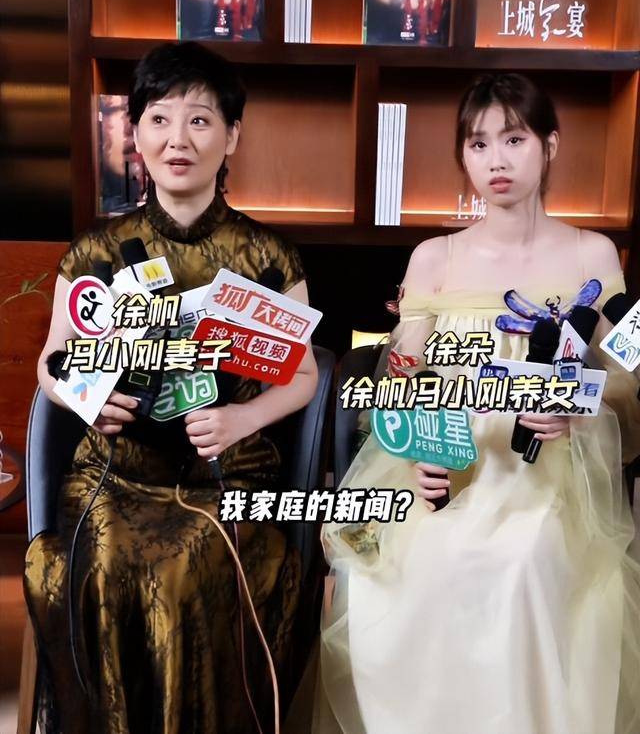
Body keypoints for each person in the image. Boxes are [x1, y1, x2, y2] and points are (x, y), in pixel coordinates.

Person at [313, 73, 640, 734]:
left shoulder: (594, 252)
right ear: (463, 155)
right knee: (425, 564)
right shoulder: (434, 258)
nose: (496, 159)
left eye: (514, 139)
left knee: (522, 564)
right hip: (453, 462)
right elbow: (401, 379)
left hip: (551, 477)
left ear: (549, 145)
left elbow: (627, 380)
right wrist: (414, 453)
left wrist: (573, 405)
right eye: (479, 143)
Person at [24, 41, 318, 734]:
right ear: (136, 134)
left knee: (184, 568)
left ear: (231, 137)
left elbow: (304, 376)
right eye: (158, 119)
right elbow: (52, 363)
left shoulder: (268, 257)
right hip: (116, 472)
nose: (177, 139)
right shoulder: (95, 253)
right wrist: (87, 398)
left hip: (225, 472)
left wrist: (241, 421)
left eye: (200, 120)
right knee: (103, 563)